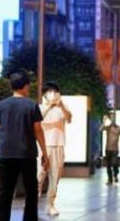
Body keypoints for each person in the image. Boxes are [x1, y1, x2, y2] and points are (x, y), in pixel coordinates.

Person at [0, 71, 49, 221]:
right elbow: (38, 130)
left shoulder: (2, 104)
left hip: (5, 154)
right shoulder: (31, 105)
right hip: (26, 154)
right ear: (26, 86)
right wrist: (45, 152)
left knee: (5, 191)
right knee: (31, 191)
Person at [37, 81, 72, 216]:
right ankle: (33, 202)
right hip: (43, 146)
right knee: (39, 175)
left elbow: (69, 119)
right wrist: (49, 106)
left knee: (55, 176)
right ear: (44, 94)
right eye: (49, 91)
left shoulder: (62, 108)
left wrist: (61, 105)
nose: (52, 93)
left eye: (55, 91)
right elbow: (39, 120)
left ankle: (50, 204)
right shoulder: (40, 107)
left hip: (58, 145)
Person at [100, 112, 120, 185]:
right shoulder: (108, 127)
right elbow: (100, 129)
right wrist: (104, 121)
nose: (113, 118)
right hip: (108, 149)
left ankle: (116, 175)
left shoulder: (119, 128)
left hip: (115, 149)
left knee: (115, 163)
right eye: (111, 117)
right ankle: (110, 179)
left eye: (114, 117)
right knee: (108, 165)